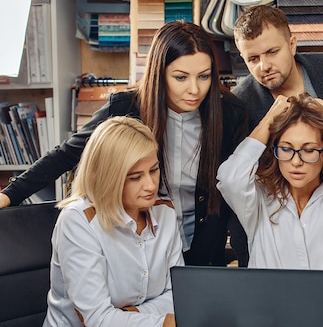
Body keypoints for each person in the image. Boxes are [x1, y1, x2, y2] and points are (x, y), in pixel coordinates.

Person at [0, 21, 249, 267]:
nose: (194, 89)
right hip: (137, 252)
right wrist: (10, 195)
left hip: (203, 255)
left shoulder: (230, 114)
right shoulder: (125, 107)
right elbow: (66, 155)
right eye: (180, 77)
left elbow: (242, 186)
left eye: (204, 76)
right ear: (159, 73)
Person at [31, 116, 184, 327]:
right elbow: (102, 323)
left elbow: (177, 297)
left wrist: (122, 318)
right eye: (135, 177)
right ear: (108, 177)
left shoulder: (164, 213)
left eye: (154, 170)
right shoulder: (78, 221)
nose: (150, 185)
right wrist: (172, 326)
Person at [216, 93, 323, 319]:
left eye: (309, 150)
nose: (296, 162)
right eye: (286, 148)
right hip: (269, 323)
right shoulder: (260, 200)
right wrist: (270, 119)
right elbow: (230, 179)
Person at [231, 5, 323, 127]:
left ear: (292, 45)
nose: (264, 66)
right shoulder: (238, 105)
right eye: (253, 59)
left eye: (272, 52)